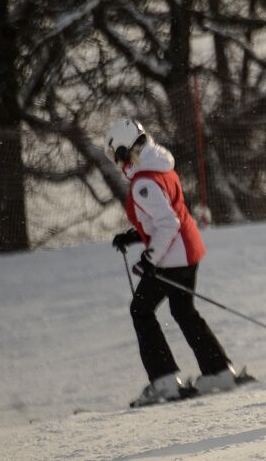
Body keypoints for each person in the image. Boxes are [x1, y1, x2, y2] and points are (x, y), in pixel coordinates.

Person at [106, 117, 240, 406]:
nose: (117, 163)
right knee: (183, 310)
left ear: (124, 151)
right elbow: (165, 216)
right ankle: (218, 371)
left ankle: (164, 380)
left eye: (115, 154)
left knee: (140, 310)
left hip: (171, 258)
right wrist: (134, 236)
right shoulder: (160, 168)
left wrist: (150, 259)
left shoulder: (144, 183)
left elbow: (167, 223)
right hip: (188, 252)